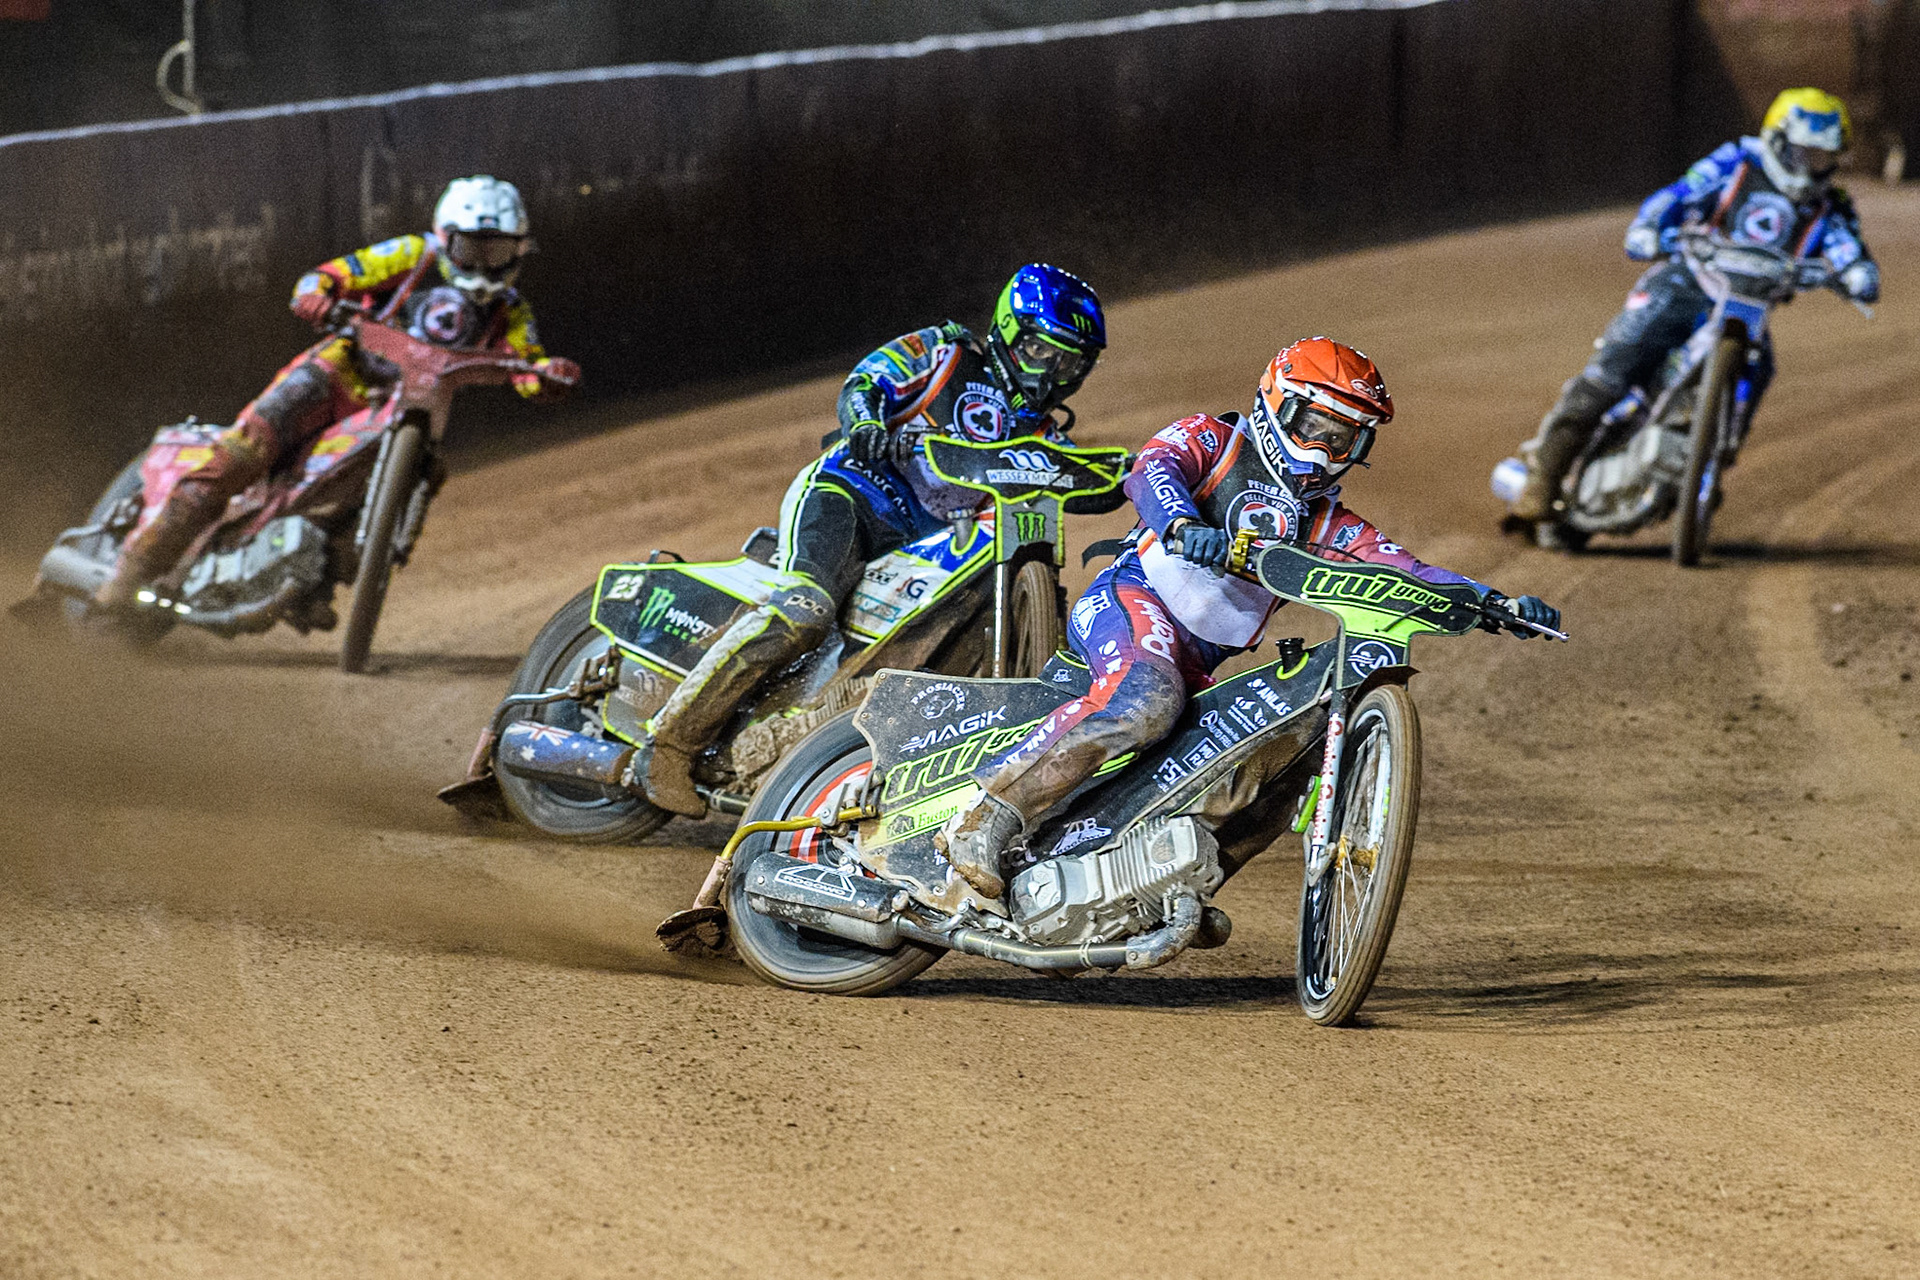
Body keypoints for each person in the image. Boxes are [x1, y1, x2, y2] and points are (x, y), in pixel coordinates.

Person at [937, 337, 1560, 896]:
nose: (1323, 449)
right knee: (1146, 698)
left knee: (1269, 768)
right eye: (1314, 424)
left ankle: (1173, 887)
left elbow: (1409, 571)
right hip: (1131, 600)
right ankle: (984, 820)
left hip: (1201, 662)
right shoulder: (1215, 440)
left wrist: (1491, 602)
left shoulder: (1327, 522)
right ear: (1275, 401)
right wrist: (1182, 524)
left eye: (1343, 439)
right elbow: (1152, 469)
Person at [637, 263, 1115, 817]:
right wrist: (865, 423)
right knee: (806, 610)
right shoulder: (947, 353)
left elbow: (1076, 480)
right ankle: (666, 745)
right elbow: (868, 379)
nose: (1052, 374)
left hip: (925, 545)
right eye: (1042, 352)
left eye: (1070, 363)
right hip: (853, 497)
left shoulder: (1044, 437)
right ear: (1010, 331)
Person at [93, 175, 578, 609]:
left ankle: (321, 575)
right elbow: (333, 275)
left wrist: (548, 377)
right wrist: (318, 294)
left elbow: (526, 365)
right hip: (338, 374)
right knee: (243, 453)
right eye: (473, 250)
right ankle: (130, 570)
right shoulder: (413, 255)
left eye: (498, 252)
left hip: (410, 408)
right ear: (446, 238)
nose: (485, 265)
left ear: (519, 251)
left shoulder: (511, 312)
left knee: (427, 473)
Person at [1505, 87, 1880, 543]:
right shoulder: (1736, 162)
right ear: (1778, 142)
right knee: (1613, 368)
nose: (1810, 167)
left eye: (1821, 158)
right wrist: (1648, 227)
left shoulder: (1831, 204)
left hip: (1750, 311)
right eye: (1803, 153)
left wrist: (1858, 273)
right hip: (1688, 283)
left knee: (1760, 373)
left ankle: (1710, 461)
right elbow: (1678, 195)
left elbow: (1848, 248)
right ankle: (1541, 481)